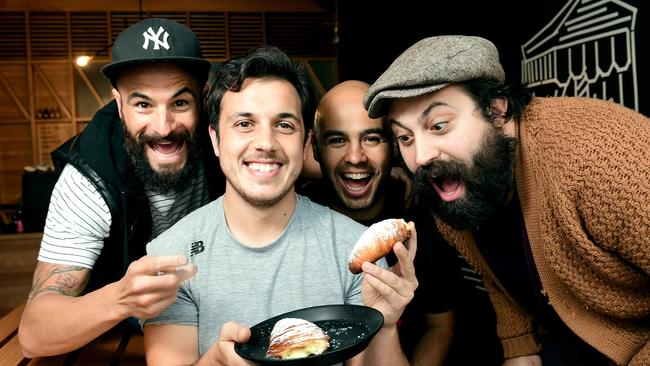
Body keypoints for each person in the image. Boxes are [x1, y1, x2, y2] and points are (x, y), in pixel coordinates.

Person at [364, 35, 650, 366]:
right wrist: (519, 347)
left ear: (496, 110)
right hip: (571, 339)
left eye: (439, 125)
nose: (422, 156)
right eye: (405, 137)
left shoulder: (601, 156)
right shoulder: (450, 186)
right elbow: (497, 274)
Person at [142, 45, 418, 365]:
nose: (265, 143)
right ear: (216, 139)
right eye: (245, 123)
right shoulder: (170, 255)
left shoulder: (354, 250)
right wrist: (216, 360)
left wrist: (383, 326)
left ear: (305, 144)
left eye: (284, 125)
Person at [18, 18, 223, 357]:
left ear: (202, 99)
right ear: (118, 103)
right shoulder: (88, 179)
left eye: (180, 103)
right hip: (124, 330)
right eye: (143, 104)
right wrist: (122, 298)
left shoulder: (229, 140)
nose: (164, 127)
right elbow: (34, 332)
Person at [308, 79, 457, 365]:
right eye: (337, 140)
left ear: (394, 147)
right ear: (316, 148)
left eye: (372, 138)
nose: (355, 157)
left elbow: (441, 326)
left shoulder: (423, 220)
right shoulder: (298, 218)